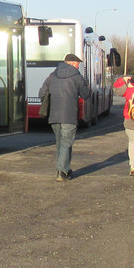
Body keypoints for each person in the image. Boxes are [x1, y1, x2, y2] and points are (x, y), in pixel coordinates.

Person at [38, 53, 90, 181]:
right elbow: (86, 95)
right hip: (69, 114)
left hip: (54, 115)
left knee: (60, 143)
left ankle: (62, 169)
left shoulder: (52, 75)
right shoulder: (77, 77)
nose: (78, 66)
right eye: (77, 64)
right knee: (66, 143)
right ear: (72, 63)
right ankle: (62, 171)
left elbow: (41, 93)